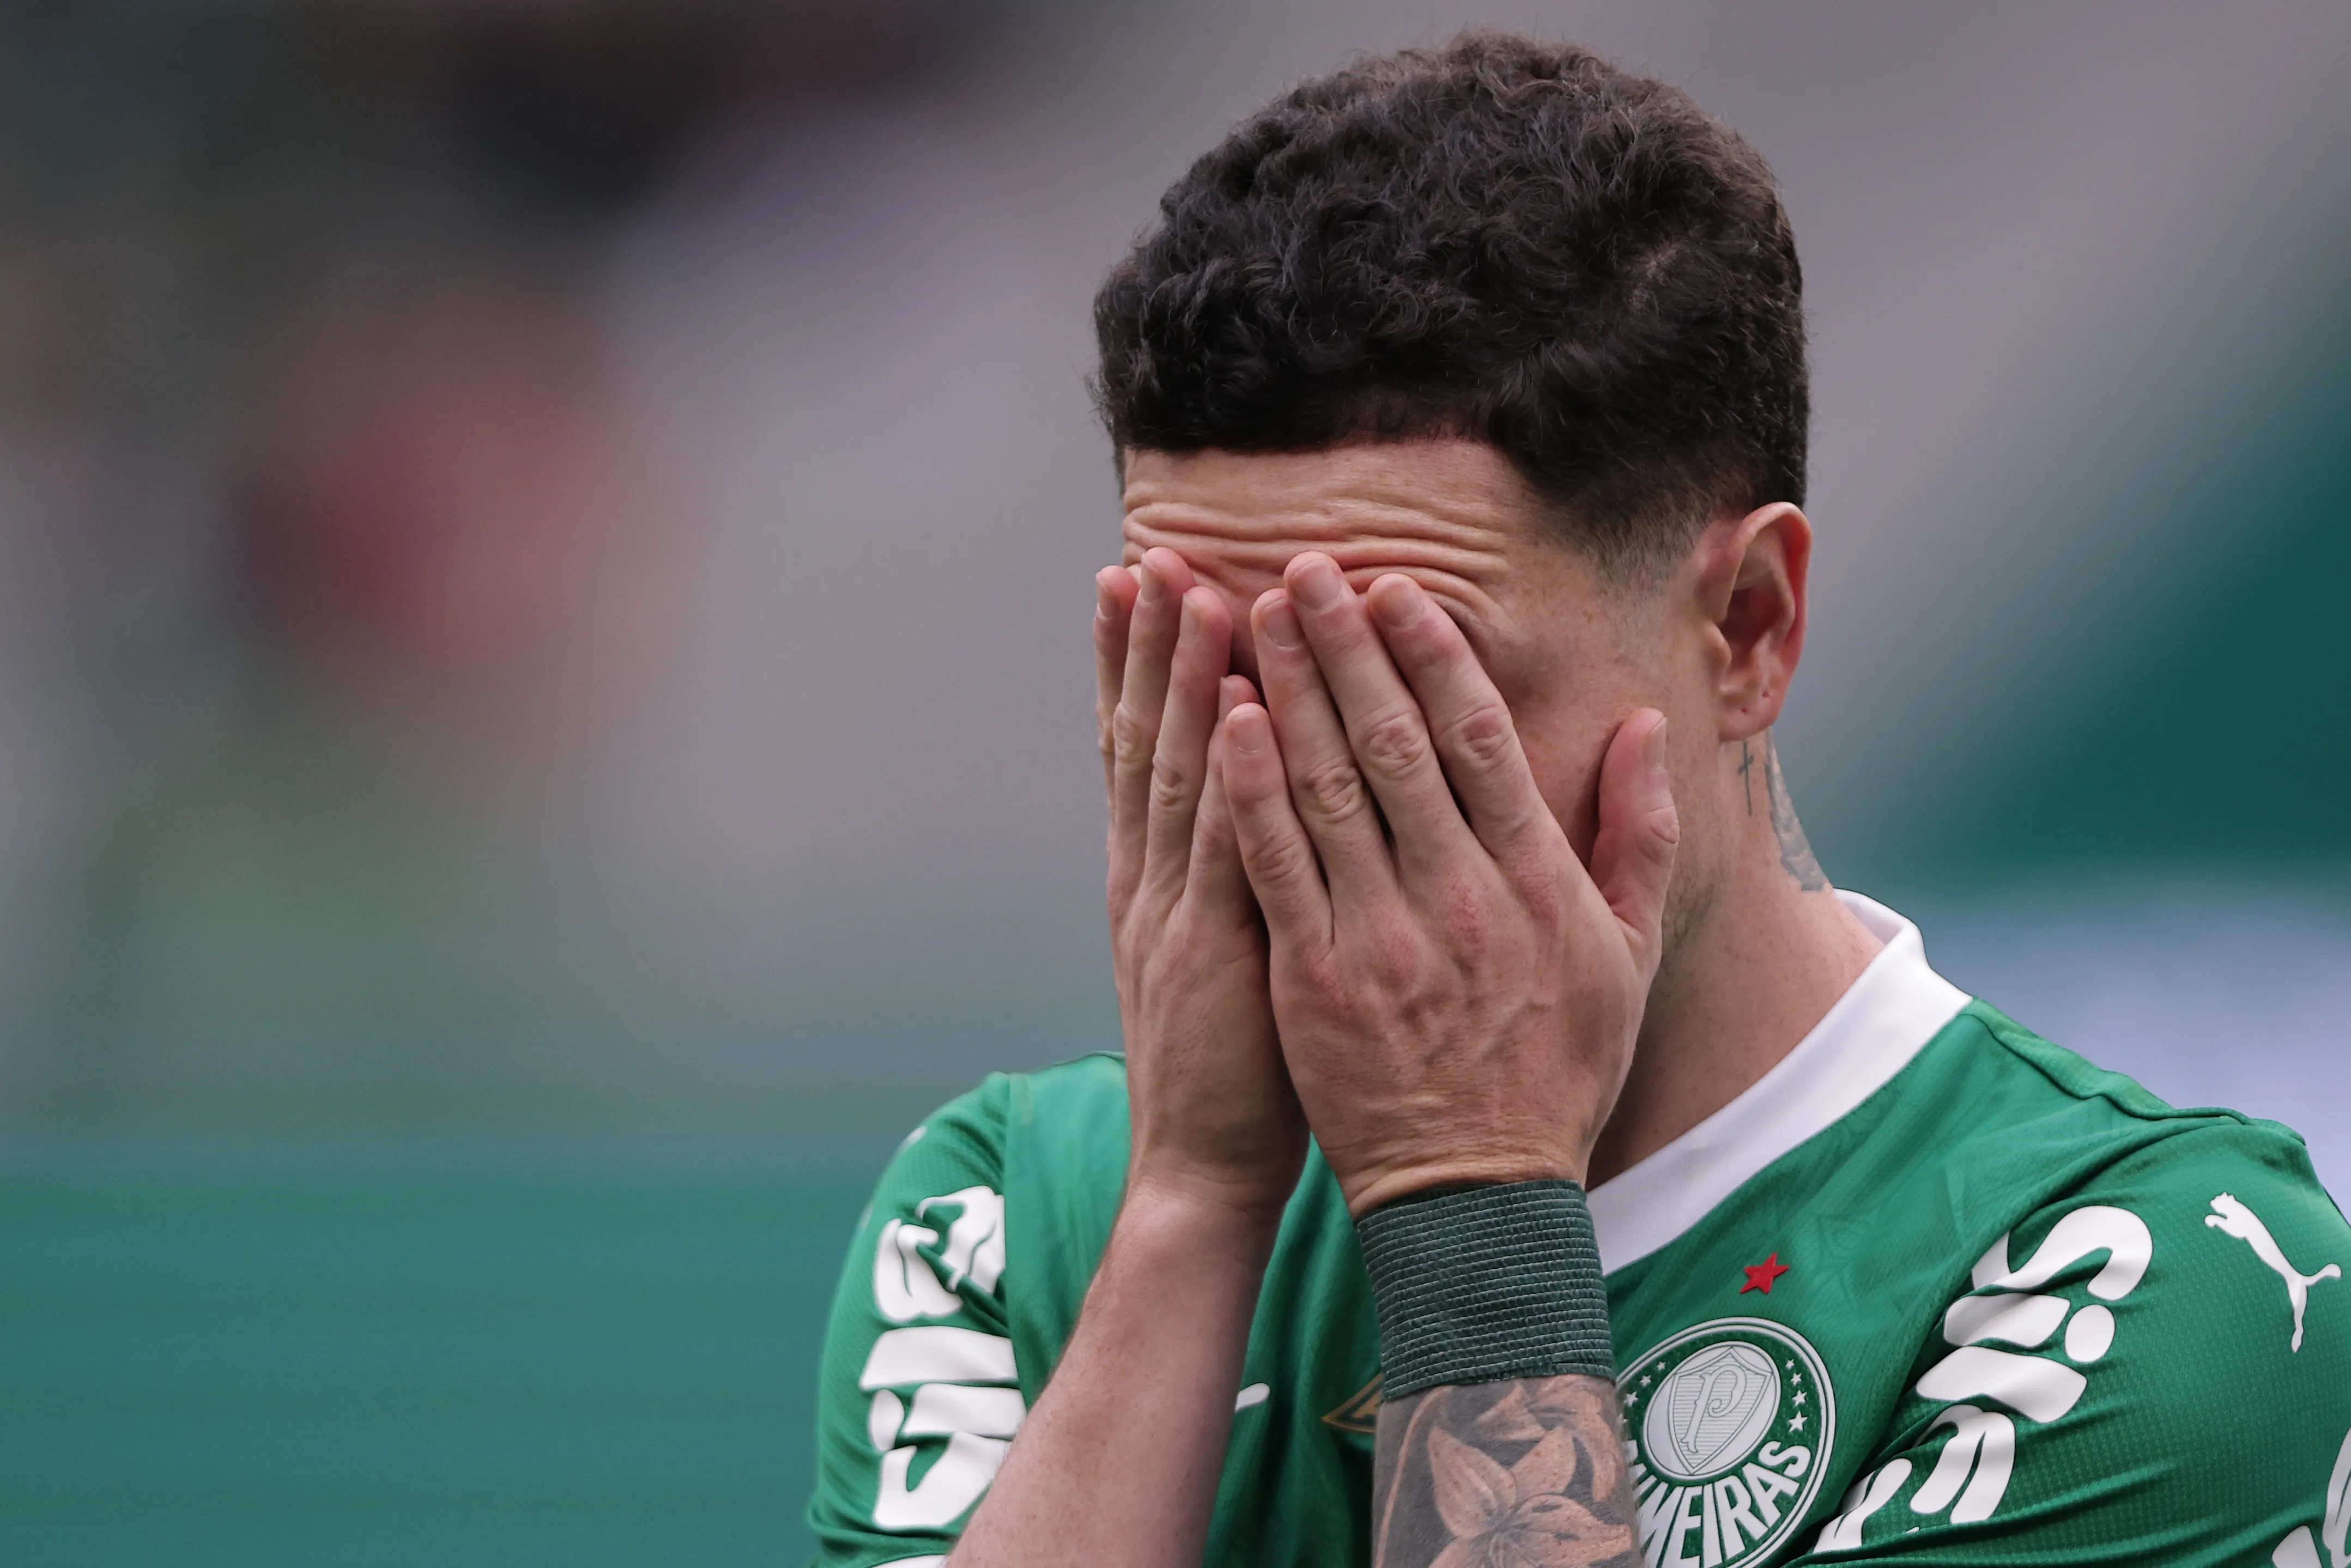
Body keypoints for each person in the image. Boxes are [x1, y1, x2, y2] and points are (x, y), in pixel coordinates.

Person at [805, 34, 2351, 1568]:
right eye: (1208, 676)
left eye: (1407, 691)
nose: (1292, 795)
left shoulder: (2142, 1283)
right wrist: (1192, 1208)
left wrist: (1466, 1188)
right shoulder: (1014, 1222)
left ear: (1748, 624)